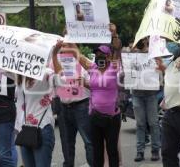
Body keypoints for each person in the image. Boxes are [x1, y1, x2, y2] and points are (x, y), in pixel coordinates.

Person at [68, 33, 121, 166]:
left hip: (112, 118)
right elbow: (78, 55)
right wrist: (70, 37)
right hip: (95, 117)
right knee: (97, 151)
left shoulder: (114, 68)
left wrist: (115, 38)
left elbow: (118, 50)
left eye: (102, 54)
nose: (99, 56)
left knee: (112, 150)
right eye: (97, 54)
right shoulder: (92, 68)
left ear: (109, 56)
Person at [53, 39, 93, 167]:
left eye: (66, 45)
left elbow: (97, 84)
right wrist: (54, 54)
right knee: (66, 143)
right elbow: (57, 78)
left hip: (82, 106)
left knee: (89, 142)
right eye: (62, 46)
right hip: (64, 107)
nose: (63, 48)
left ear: (74, 46)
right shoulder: (57, 61)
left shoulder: (84, 61)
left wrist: (85, 83)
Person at [132, 37, 161, 162]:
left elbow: (160, 71)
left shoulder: (155, 55)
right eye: (143, 39)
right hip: (137, 93)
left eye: (147, 40)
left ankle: (155, 151)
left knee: (153, 123)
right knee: (140, 124)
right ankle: (140, 151)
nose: (145, 41)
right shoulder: (133, 55)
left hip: (151, 94)